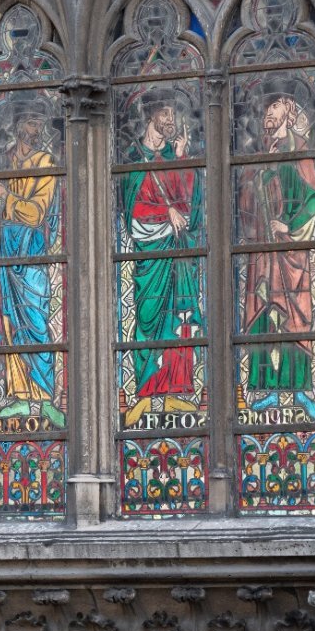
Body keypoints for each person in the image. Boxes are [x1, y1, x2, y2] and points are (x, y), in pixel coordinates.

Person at [237, 76, 315, 418]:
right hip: (262, 253)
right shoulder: (261, 154)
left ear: (288, 110)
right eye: (264, 110)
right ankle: (263, 389)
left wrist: (292, 224)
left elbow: (314, 198)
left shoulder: (300, 150)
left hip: (290, 252)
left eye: (273, 107)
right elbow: (245, 205)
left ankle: (299, 388)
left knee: (293, 315)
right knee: (263, 314)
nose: (267, 115)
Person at [118, 87, 203, 427]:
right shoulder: (132, 157)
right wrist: (164, 210)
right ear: (151, 114)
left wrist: (183, 159)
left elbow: (190, 210)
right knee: (149, 316)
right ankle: (147, 391)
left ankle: (176, 391)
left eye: (174, 115)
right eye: (166, 114)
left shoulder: (172, 156)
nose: (171, 121)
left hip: (177, 253)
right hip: (149, 252)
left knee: (178, 320)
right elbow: (131, 211)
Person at [0, 95, 64, 428]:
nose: (37, 130)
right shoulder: (3, 161)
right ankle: (18, 396)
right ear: (18, 127)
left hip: (31, 257)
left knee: (35, 323)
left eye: (40, 124)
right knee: (7, 325)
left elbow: (36, 214)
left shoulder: (46, 164)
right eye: (31, 123)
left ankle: (45, 397)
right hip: (4, 255)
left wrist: (8, 198)